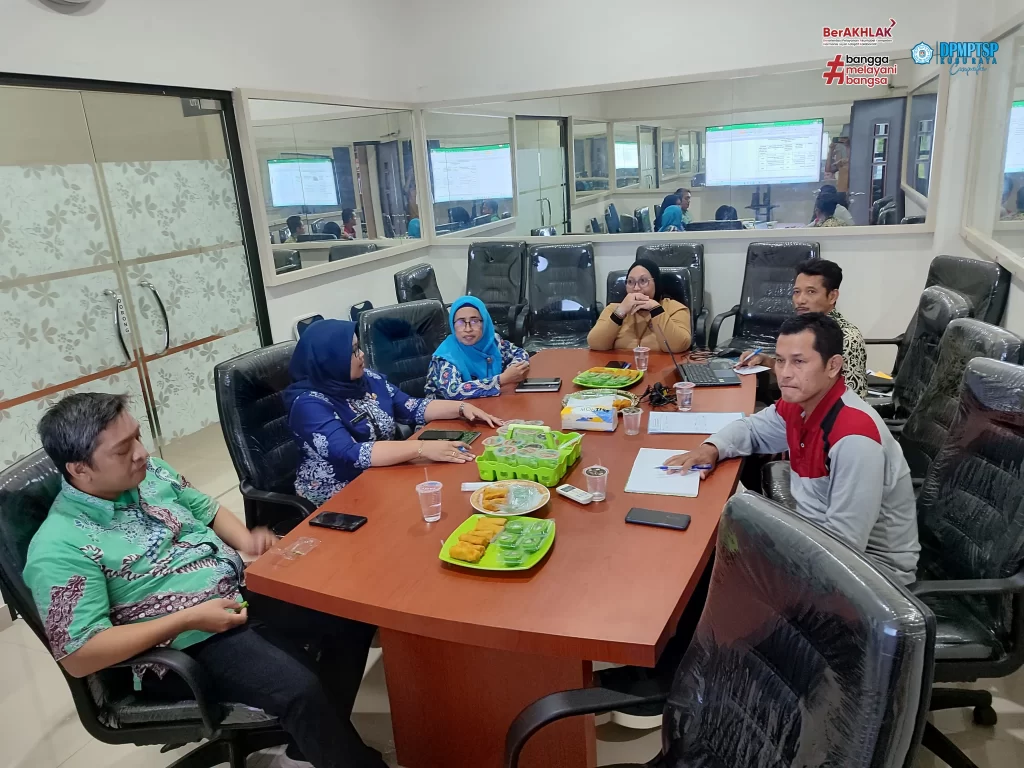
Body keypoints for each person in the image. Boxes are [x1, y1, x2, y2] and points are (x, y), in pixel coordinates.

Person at [25, 393, 388, 768]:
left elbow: (206, 508)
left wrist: (247, 540)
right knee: (302, 688)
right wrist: (189, 619)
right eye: (122, 450)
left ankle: (308, 743)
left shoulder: (152, 475)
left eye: (137, 437)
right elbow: (80, 656)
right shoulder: (60, 546)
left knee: (351, 616)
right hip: (180, 645)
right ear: (80, 469)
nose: (142, 453)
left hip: (233, 596)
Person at [666, 313, 919, 585]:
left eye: (799, 362)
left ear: (833, 366)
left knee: (716, 568)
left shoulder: (854, 438)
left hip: (872, 579)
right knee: (714, 554)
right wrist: (712, 448)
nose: (785, 373)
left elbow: (844, 548)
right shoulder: (801, 404)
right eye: (780, 360)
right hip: (817, 539)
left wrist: (772, 550)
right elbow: (752, 430)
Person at [285, 319, 501, 506]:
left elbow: (411, 406)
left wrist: (461, 408)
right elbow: (350, 453)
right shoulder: (308, 404)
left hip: (383, 474)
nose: (361, 355)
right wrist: (422, 449)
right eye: (353, 351)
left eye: (359, 347)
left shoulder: (366, 379)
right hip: (339, 494)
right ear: (330, 360)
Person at [739, 259, 868, 398]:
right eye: (796, 292)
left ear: (832, 296)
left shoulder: (848, 338)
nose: (800, 300)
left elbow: (852, 399)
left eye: (811, 292)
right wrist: (765, 361)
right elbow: (798, 375)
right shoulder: (804, 328)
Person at [425, 296, 530, 399]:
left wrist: (514, 369)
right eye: (461, 322)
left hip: (487, 403)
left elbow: (520, 352)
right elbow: (453, 391)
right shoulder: (445, 356)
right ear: (453, 325)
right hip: (449, 409)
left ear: (485, 322)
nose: (468, 329)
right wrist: (502, 379)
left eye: (474, 321)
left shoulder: (492, 341)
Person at [588, 259, 692, 353]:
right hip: (622, 366)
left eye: (643, 281)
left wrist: (656, 310)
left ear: (656, 283)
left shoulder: (675, 309)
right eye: (630, 282)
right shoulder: (614, 309)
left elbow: (679, 346)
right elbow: (595, 344)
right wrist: (620, 313)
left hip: (662, 367)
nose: (636, 288)